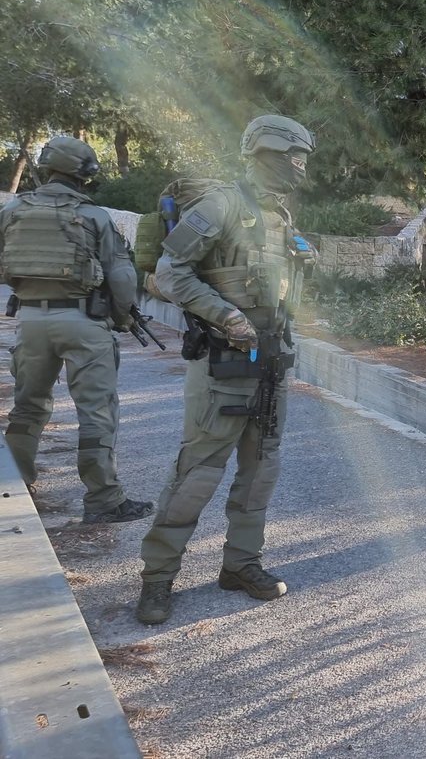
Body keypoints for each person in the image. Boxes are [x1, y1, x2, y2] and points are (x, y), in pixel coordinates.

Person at [136, 115, 316, 625]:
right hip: (223, 362)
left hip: (271, 361)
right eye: (295, 157)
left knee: (261, 471)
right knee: (198, 472)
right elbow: (170, 273)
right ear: (267, 152)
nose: (301, 167)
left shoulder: (279, 214)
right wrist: (227, 316)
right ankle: (157, 578)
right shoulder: (220, 205)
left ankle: (240, 565)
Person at [0, 136, 152, 524]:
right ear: (83, 174)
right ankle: (103, 499)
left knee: (28, 407)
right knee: (96, 411)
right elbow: (120, 276)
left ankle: (15, 487)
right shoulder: (94, 216)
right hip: (83, 321)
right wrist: (123, 317)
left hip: (30, 321)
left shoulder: (13, 210)